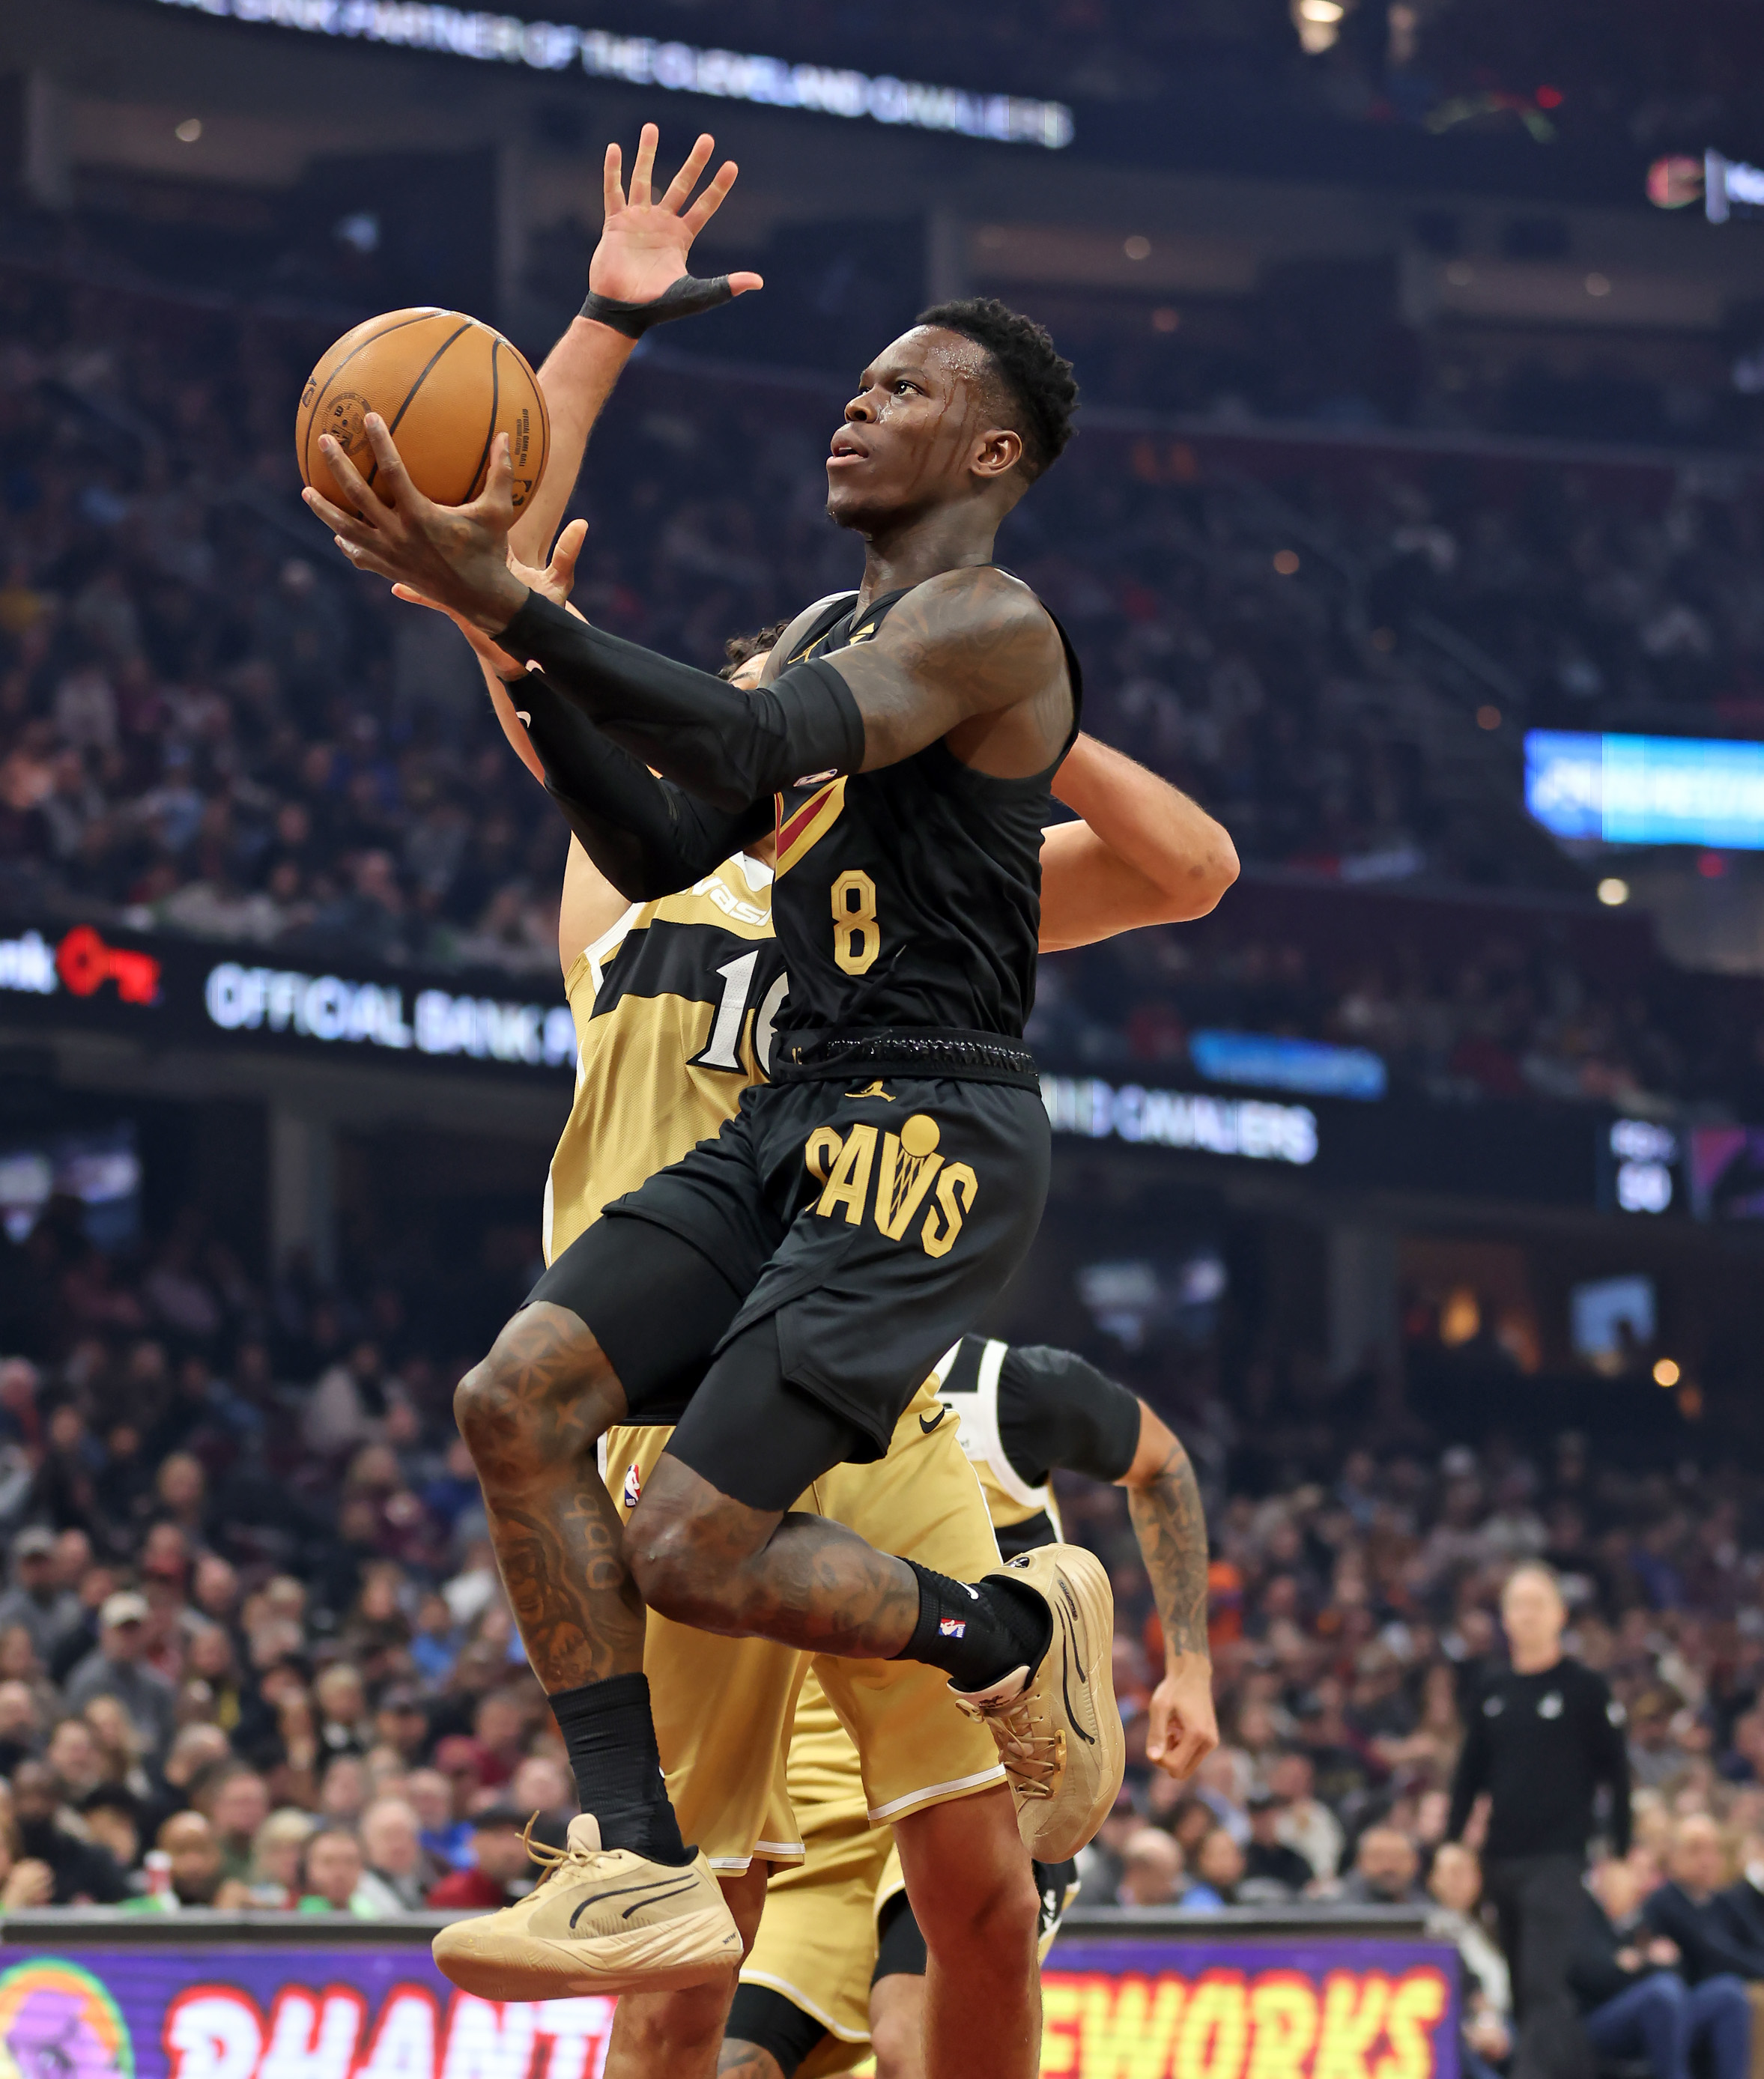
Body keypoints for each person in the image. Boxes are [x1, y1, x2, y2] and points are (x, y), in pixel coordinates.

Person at [331, 123, 1234, 2070]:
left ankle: (1003, 1658)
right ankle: (672, 1824)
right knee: (678, 1956)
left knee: (977, 1900)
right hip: (676, 1382)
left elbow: (1187, 866)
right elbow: (520, 565)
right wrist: (593, 330)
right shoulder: (651, 861)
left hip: (871, 1311)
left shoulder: (922, 855)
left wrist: (995, 718)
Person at [718, 1332, 1217, 2079]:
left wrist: (1190, 1663)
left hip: (978, 1748)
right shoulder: (761, 1389)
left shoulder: (1000, 1386)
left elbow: (1163, 1461)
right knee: (736, 2061)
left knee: (906, 2039)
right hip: (820, 1764)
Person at [1447, 1563, 1631, 2079]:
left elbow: (1616, 1777)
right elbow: (1469, 1774)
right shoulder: (1492, 1686)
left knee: (1541, 1983)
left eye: (1536, 1604)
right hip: (1499, 1856)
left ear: (1559, 1615)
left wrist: (1618, 1854)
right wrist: (1452, 1842)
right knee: (1523, 1985)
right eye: (1516, 1605)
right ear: (1503, 1617)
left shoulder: (1585, 1688)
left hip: (1558, 1856)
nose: (1525, 1615)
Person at [1573, 1851, 1752, 2079]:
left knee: (1728, 1991)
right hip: (1598, 2021)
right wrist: (1644, 1964)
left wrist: (1637, 1963)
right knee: (1661, 1993)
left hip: (1663, 2014)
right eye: (1635, 1872)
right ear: (1606, 1873)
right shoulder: (1582, 1914)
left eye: (1650, 1872)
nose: (1643, 1882)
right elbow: (1589, 1975)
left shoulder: (1644, 1916)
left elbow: (1676, 1969)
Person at [1643, 1816, 1764, 1983]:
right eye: (1695, 1850)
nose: (1707, 1861)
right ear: (1672, 1855)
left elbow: (1756, 1939)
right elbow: (1715, 1953)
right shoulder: (1664, 1902)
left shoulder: (1722, 1900)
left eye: (1714, 1850)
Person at [1430, 1842, 1513, 2079]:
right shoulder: (1426, 1928)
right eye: (1451, 1872)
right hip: (1455, 2026)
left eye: (1467, 1872)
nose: (1459, 1881)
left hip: (1501, 2020)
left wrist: (1491, 2021)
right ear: (1432, 1878)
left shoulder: (1490, 1921)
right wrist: (1479, 2023)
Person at [62, 1590, 176, 1759]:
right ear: (104, 1632)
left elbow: (167, 1737)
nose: (128, 1638)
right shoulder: (87, 1681)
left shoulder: (157, 1685)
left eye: (134, 1630)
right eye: (121, 1630)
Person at [428, 1806, 538, 1911]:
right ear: (475, 1841)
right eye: (499, 1836)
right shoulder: (453, 1896)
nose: (511, 1850)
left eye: (521, 1838)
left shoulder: (529, 1895)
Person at [1240, 1791, 1313, 1899]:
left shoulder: (1294, 1860)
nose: (1263, 1821)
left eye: (1268, 1814)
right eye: (1257, 1815)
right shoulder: (1241, 1858)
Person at [1339, 1826, 1423, 1905]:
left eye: (1397, 1858)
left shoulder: (1428, 1908)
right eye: (1378, 1857)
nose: (1388, 1866)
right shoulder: (1338, 1909)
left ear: (1415, 1862)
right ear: (1360, 1861)